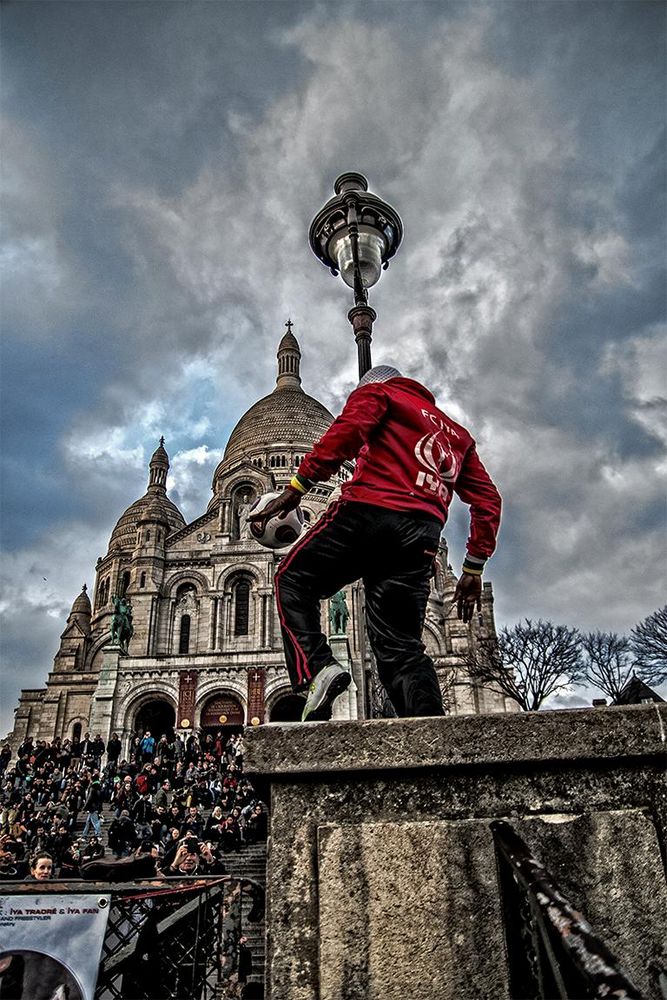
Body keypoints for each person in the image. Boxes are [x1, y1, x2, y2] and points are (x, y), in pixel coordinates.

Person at [249, 364, 501, 722]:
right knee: (404, 651)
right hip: (421, 537)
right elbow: (488, 500)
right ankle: (434, 739)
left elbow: (346, 433)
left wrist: (297, 489)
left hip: (368, 513)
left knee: (292, 579)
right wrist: (473, 567)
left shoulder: (380, 393)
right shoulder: (457, 435)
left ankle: (320, 667)